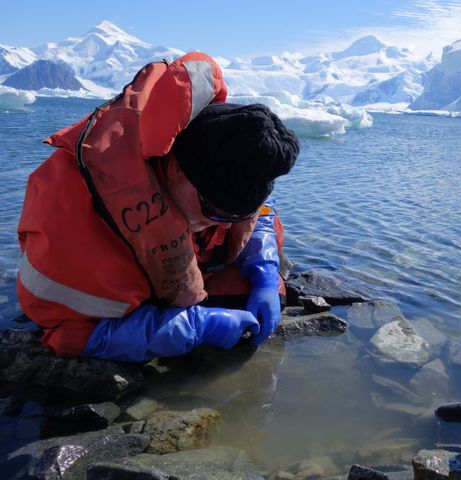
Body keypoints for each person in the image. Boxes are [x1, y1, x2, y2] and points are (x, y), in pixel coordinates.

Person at [15, 52, 300, 362]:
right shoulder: (71, 219)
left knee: (256, 289)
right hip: (102, 273)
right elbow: (67, 332)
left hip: (173, 261)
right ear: (175, 169)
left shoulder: (214, 155)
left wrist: (265, 269)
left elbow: (257, 212)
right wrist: (193, 329)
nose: (221, 226)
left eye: (236, 217)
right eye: (214, 213)